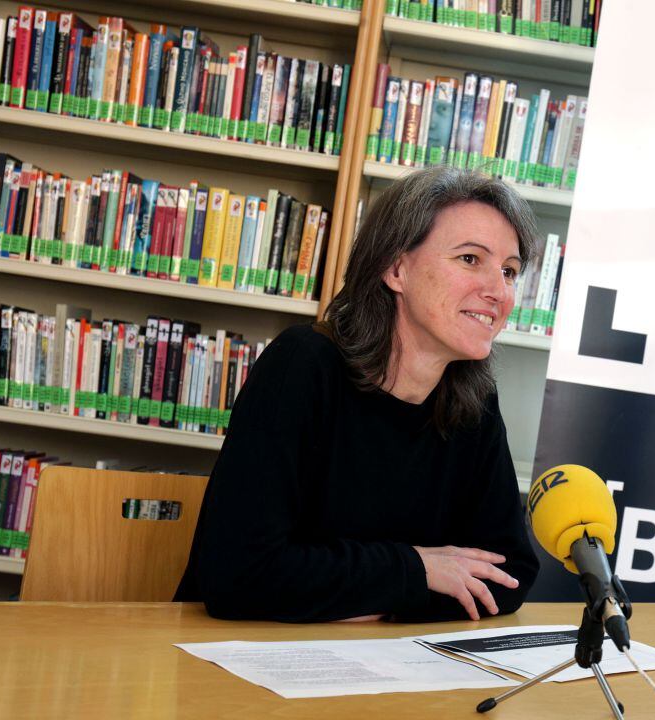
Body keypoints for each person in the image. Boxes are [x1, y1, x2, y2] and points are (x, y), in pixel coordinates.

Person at [174, 167, 541, 623]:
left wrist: (365, 597)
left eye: (509, 271)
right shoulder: (302, 365)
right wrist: (416, 569)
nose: (497, 292)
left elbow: (508, 576)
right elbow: (238, 576)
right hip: (238, 663)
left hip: (385, 669)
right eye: (470, 259)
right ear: (396, 268)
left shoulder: (474, 402)